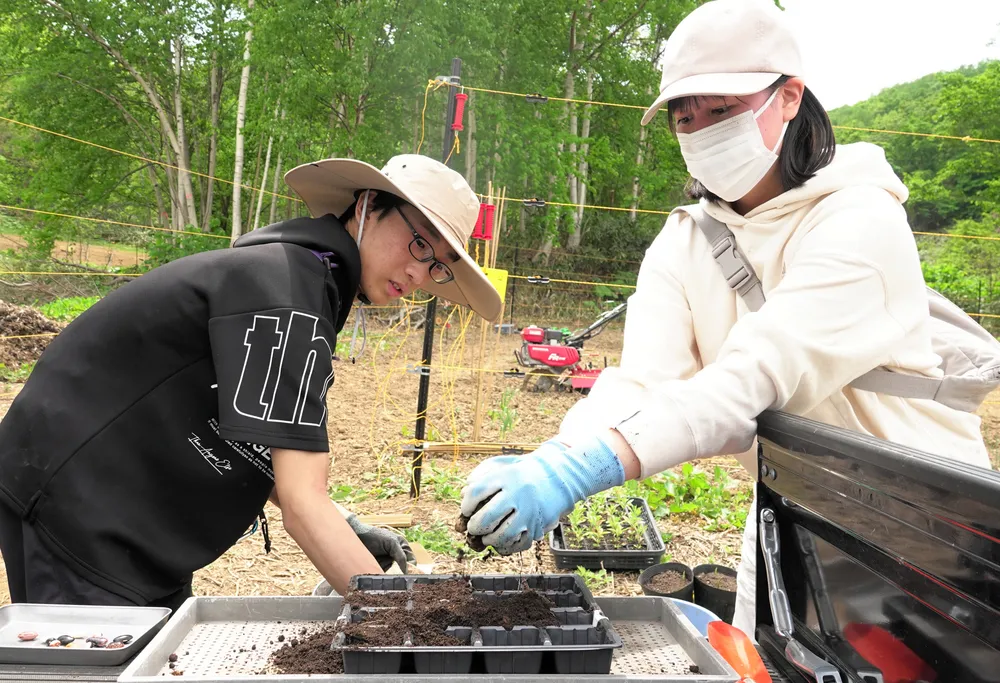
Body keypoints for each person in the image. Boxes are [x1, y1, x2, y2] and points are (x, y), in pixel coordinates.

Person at [459, 0, 992, 639]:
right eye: (686, 117)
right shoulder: (688, 239)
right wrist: (556, 454)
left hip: (924, 537)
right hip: (791, 516)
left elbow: (754, 374)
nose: (701, 130)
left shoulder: (860, 219)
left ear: (789, 97)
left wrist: (582, 473)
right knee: (761, 663)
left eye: (722, 110)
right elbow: (642, 381)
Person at [0, 153, 501, 612]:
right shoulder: (287, 294)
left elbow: (263, 437)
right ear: (370, 205)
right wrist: (404, 620)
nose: (418, 273)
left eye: (437, 265)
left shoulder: (298, 280)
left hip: (122, 516)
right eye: (418, 243)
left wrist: (345, 528)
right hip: (79, 507)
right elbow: (302, 507)